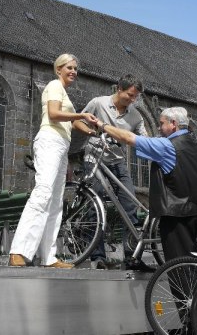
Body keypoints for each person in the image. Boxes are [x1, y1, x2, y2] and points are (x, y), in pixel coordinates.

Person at [9, 53, 98, 269]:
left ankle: (48, 257)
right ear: (58, 69)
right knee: (43, 193)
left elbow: (72, 122)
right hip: (50, 141)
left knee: (56, 201)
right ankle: (19, 251)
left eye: (76, 68)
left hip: (61, 146)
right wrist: (81, 116)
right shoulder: (54, 85)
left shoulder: (64, 94)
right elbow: (54, 114)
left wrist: (94, 131)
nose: (73, 72)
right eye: (69, 67)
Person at [95, 106, 197, 264]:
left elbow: (128, 138)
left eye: (161, 124)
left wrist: (103, 125)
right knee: (194, 261)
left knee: (178, 267)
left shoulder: (167, 146)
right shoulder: (194, 145)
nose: (159, 128)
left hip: (175, 215)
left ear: (173, 123)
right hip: (196, 212)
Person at [72, 74, 147, 270]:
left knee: (130, 205)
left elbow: (144, 138)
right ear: (119, 89)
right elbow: (77, 122)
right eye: (130, 95)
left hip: (118, 162)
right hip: (94, 159)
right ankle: (98, 258)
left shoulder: (135, 116)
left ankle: (132, 257)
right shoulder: (98, 103)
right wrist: (92, 132)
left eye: (135, 97)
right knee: (94, 207)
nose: (132, 100)